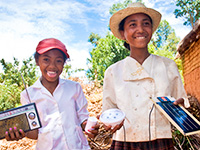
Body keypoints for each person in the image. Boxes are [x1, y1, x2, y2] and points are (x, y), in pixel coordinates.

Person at [102, 2, 190, 150]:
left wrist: (179, 107)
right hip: (125, 141)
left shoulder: (168, 66)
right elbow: (108, 110)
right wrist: (109, 123)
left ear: (151, 29)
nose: (140, 29)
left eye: (146, 23)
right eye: (132, 25)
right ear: (123, 33)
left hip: (160, 139)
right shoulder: (113, 71)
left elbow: (181, 102)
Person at [5, 38, 99, 150]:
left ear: (64, 63)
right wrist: (21, 133)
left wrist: (89, 127)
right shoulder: (28, 94)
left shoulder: (74, 88)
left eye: (58, 61)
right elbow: (35, 133)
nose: (52, 66)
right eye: (46, 59)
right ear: (36, 61)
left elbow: (83, 117)